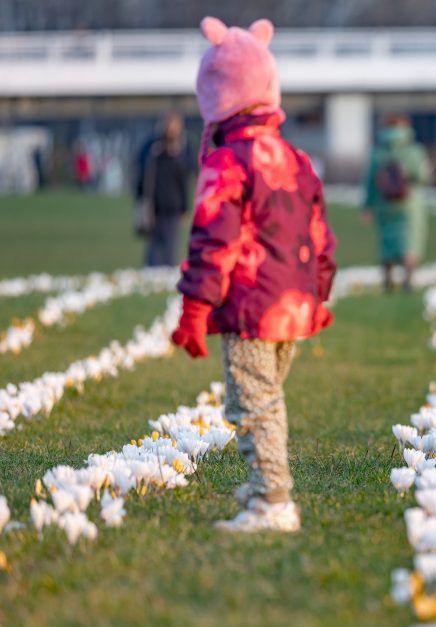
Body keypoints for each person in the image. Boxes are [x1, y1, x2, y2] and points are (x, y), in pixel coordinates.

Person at [171, 16, 337, 532]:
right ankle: (263, 485)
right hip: (294, 307)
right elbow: (320, 237)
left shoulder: (227, 160)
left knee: (255, 404)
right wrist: (319, 295)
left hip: (249, 309)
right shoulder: (296, 158)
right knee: (267, 396)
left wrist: (196, 308)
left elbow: (213, 241)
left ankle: (272, 500)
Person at [362, 114, 431, 292]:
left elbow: (370, 182)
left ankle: (388, 279)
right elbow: (423, 176)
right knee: (409, 241)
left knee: (387, 242)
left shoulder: (378, 152)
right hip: (409, 203)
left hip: (384, 203)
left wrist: (367, 207)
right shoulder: (414, 151)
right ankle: (408, 277)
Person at [135, 111, 191, 266]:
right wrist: (141, 200)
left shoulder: (181, 151)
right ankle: (152, 273)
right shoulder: (152, 149)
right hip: (154, 206)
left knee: (171, 248)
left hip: (173, 206)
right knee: (153, 247)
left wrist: (184, 207)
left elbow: (183, 181)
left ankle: (168, 277)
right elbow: (143, 175)